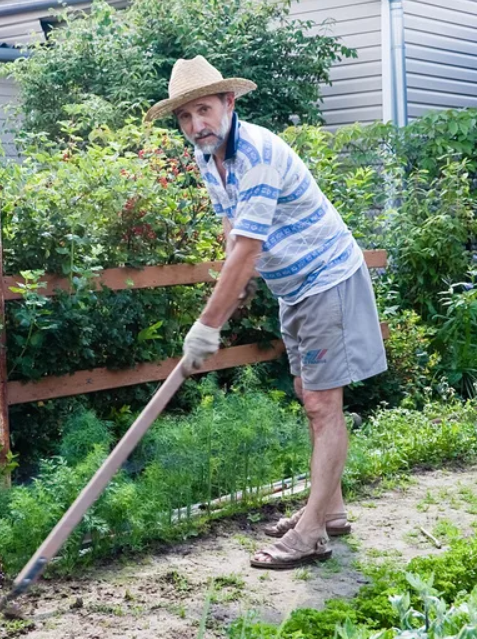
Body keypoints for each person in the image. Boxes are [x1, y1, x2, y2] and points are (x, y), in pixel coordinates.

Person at [145, 56, 388, 570]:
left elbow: (246, 252)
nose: (196, 126)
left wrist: (206, 326)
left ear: (229, 103)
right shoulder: (207, 159)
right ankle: (332, 509)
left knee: (323, 404)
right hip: (293, 288)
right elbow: (236, 237)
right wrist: (229, 301)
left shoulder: (255, 152)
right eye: (185, 117)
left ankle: (311, 532)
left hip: (328, 279)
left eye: (204, 110)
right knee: (308, 396)